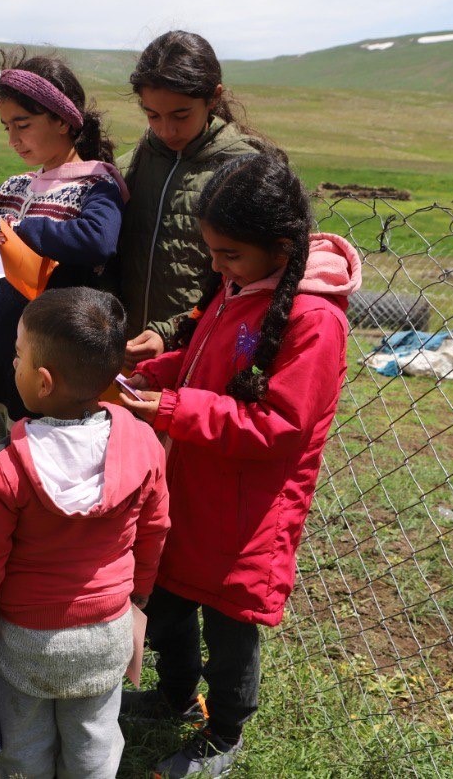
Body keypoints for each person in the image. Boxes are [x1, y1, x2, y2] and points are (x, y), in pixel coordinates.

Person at [118, 151, 361, 778]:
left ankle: (224, 730)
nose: (217, 266)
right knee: (170, 600)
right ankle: (174, 695)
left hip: (250, 510)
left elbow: (276, 427)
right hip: (195, 486)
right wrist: (150, 375)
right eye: (213, 253)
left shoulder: (313, 320)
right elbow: (204, 365)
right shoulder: (239, 288)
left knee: (230, 627)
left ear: (280, 249)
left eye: (228, 255)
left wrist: (171, 407)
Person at [0, 287, 169, 779]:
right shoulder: (144, 444)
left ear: (42, 382)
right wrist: (140, 594)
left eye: (18, 354)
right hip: (109, 630)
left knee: (25, 746)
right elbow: (155, 529)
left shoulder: (4, 467)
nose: (13, 362)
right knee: (94, 740)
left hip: (27, 641)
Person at [0, 49, 127, 445]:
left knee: (39, 470)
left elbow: (98, 239)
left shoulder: (96, 185)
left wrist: (20, 229)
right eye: (6, 126)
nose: (12, 139)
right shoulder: (14, 186)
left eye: (21, 124)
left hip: (49, 373)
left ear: (62, 120)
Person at [117, 30, 268, 370]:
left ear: (213, 97)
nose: (166, 130)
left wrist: (171, 332)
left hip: (202, 354)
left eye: (181, 115)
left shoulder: (244, 169)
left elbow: (253, 278)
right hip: (124, 352)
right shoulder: (132, 165)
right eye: (152, 115)